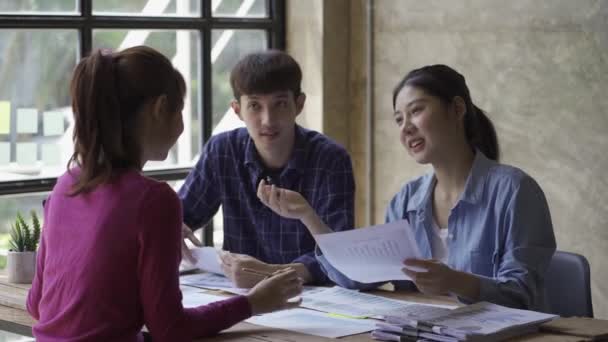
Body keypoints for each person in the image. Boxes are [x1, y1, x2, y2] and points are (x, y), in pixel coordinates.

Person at [26, 46, 302, 342]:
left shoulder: (66, 183)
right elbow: (170, 330)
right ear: (160, 109)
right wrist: (253, 303)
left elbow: (36, 304)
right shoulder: (154, 200)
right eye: (180, 110)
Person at [258, 64, 556, 311]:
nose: (405, 127)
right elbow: (356, 277)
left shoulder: (516, 191)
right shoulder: (407, 200)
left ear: (456, 108)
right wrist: (308, 216)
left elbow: (522, 295)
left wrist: (454, 281)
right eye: (399, 119)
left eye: (416, 112)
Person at [178, 50, 355, 287]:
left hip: (312, 299)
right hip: (240, 295)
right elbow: (182, 215)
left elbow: (342, 257)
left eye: (280, 104)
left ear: (299, 104)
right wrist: (169, 227)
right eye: (254, 106)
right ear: (237, 110)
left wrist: (271, 273)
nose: (268, 120)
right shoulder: (222, 150)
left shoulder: (330, 159)